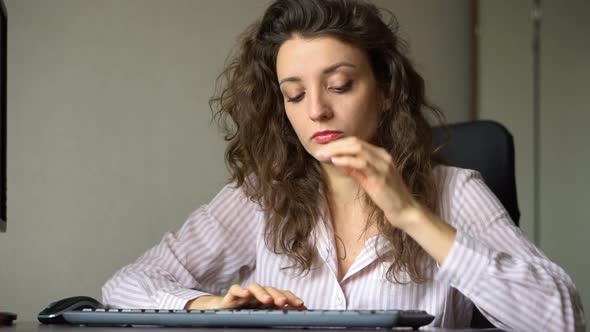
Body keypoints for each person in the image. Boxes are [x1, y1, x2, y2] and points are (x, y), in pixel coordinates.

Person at [101, 0, 585, 330]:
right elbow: (123, 286)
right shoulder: (260, 195)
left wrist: (412, 216)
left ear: (387, 89)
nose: (316, 111)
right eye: (295, 94)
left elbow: (562, 318)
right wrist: (211, 305)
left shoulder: (454, 192)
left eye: (338, 86)